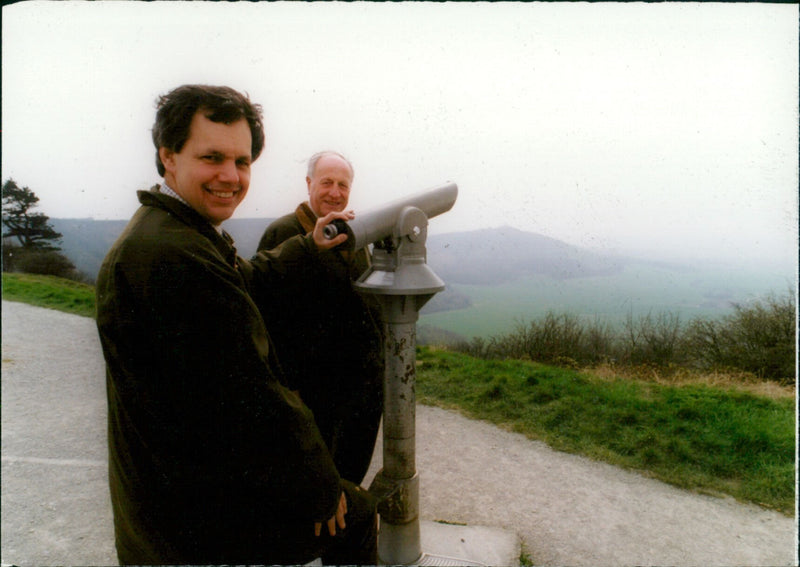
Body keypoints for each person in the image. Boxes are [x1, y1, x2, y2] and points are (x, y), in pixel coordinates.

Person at [95, 85, 377, 565]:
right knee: (357, 515)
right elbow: (253, 395)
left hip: (170, 495)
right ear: (168, 157)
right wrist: (321, 484)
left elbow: (243, 280)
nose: (229, 176)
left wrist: (307, 247)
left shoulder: (177, 232)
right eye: (212, 158)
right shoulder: (175, 254)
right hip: (190, 516)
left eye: (241, 162)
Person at [255, 151, 384, 486]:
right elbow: (265, 318)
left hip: (358, 391)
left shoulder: (353, 234)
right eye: (327, 182)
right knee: (313, 483)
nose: (335, 192)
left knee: (349, 476)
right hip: (310, 393)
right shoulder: (283, 232)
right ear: (309, 183)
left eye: (343, 184)